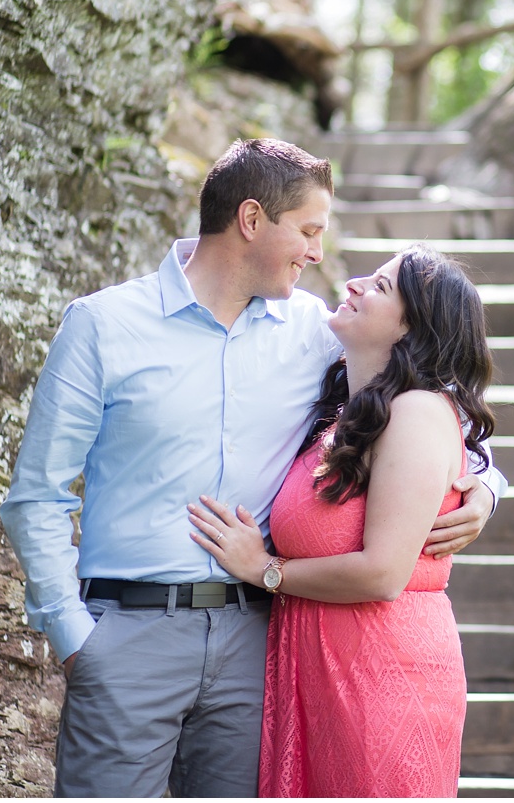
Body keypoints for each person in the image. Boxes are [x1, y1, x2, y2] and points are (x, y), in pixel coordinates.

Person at [0, 139, 506, 798]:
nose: (318, 254)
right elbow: (36, 496)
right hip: (128, 632)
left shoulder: (315, 333)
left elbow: (438, 403)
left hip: (258, 644)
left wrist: (487, 487)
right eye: (309, 230)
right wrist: (76, 637)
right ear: (250, 219)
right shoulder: (102, 326)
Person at [192, 244, 491, 797]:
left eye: (380, 288)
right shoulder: (348, 409)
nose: (353, 284)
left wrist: (265, 570)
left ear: (412, 329)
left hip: (382, 675)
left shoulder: (417, 411)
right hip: (317, 668)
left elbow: (383, 573)